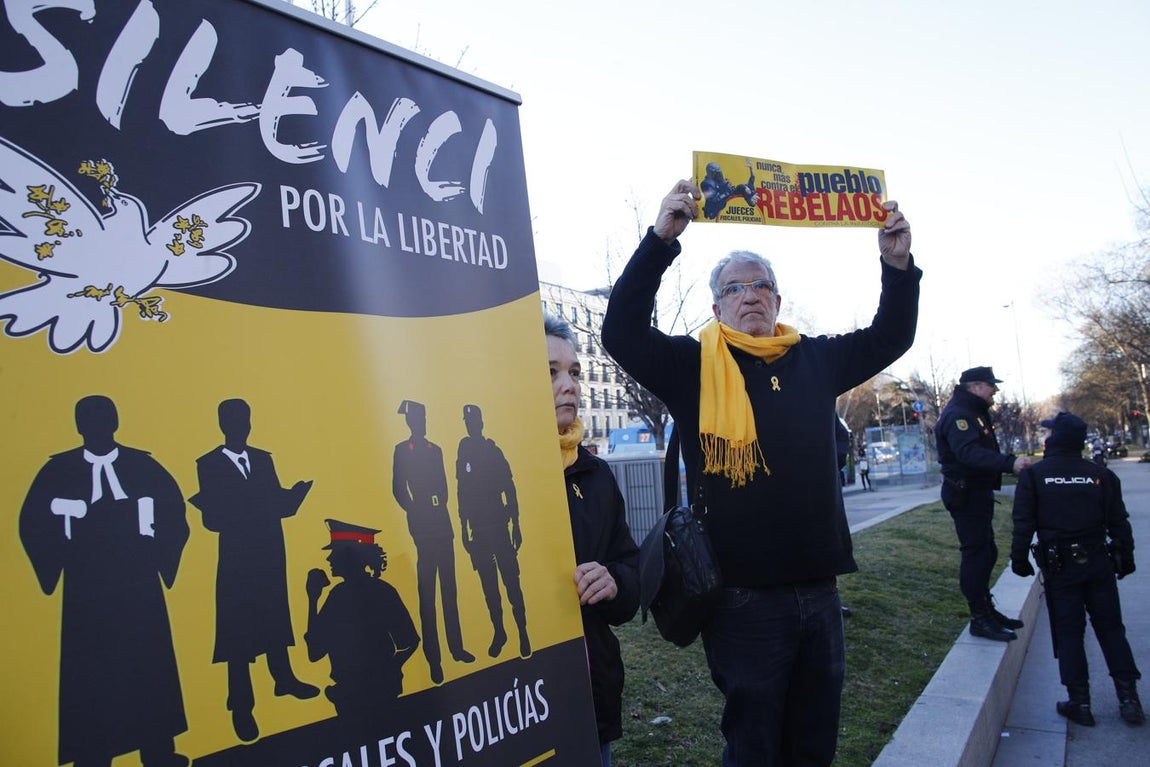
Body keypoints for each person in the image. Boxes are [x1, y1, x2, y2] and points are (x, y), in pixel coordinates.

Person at [601, 179, 917, 766]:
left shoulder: (814, 358)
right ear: (716, 306)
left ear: (778, 299)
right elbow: (620, 332)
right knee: (754, 746)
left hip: (819, 592)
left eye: (761, 284)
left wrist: (896, 265)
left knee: (814, 743)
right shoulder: (691, 365)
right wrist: (661, 240)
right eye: (734, 287)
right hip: (741, 603)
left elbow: (891, 336)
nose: (750, 294)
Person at [19, 395, 190, 767]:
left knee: (149, 666)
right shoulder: (59, 471)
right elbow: (33, 523)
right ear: (80, 426)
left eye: (104, 418)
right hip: (88, 590)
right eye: (90, 420)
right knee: (93, 671)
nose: (98, 427)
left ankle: (157, 749)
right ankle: (93, 755)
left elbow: (174, 514)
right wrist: (61, 553)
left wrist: (160, 554)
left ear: (115, 422)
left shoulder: (142, 467)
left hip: (139, 584)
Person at [190, 398, 319, 742]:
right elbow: (211, 519)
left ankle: (284, 678)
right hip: (237, 557)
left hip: (270, 551)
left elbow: (278, 503)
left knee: (275, 614)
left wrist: (294, 496)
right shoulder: (209, 464)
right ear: (224, 424)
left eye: (245, 420)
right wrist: (247, 507)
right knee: (238, 627)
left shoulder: (262, 459)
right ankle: (241, 703)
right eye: (235, 420)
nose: (242, 426)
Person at [546, 314, 640, 765]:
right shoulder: (494, 472)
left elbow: (630, 567)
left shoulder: (596, 474)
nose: (570, 386)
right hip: (519, 701)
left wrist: (615, 581)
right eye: (550, 372)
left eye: (574, 373)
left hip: (591, 694)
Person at [1010, 412, 1143, 726]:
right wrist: (1126, 558)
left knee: (1069, 632)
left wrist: (1019, 560)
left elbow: (1023, 524)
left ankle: (1080, 703)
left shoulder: (1035, 476)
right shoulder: (1100, 475)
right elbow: (1119, 523)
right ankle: (1129, 700)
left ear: (1055, 438)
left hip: (1061, 567)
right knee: (1111, 629)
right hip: (1098, 563)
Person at [935, 366, 1032, 641]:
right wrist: (1009, 463)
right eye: (991, 386)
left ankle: (987, 610)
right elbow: (968, 454)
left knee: (986, 551)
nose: (995, 391)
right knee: (977, 554)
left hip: (975, 492)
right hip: (965, 494)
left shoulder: (972, 411)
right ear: (974, 386)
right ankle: (979, 617)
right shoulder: (960, 415)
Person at [305, 519, 420, 721]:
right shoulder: (338, 595)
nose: (330, 559)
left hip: (376, 694)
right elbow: (315, 651)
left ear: (352, 557)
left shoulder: (378, 592)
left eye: (335, 552)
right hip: (349, 695)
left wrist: (386, 669)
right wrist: (312, 598)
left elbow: (410, 642)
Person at [392, 399, 473, 685]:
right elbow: (398, 488)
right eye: (417, 419)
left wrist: (439, 505)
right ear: (409, 422)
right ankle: (434, 660)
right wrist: (416, 509)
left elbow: (444, 485)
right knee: (428, 594)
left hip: (442, 524)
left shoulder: (434, 449)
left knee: (449, 590)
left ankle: (456, 647)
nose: (421, 423)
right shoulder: (402, 451)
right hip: (422, 527)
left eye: (423, 418)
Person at [455, 403, 531, 659]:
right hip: (478, 530)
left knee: (511, 582)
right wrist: (463, 529)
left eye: (473, 420)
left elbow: (510, 489)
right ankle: (500, 632)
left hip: (499, 527)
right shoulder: (463, 450)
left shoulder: (493, 450)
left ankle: (522, 631)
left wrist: (517, 524)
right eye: (467, 421)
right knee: (489, 586)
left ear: (481, 422)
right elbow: (461, 492)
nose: (470, 425)